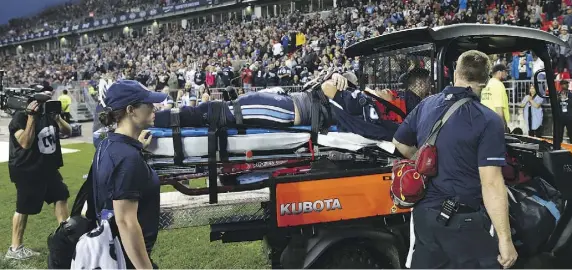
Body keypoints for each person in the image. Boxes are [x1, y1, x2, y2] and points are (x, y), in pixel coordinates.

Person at [392, 50, 517, 269]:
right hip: (462, 221)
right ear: (486, 80)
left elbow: (400, 142)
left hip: (424, 215)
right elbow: (491, 183)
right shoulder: (487, 120)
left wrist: (424, 160)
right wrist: (505, 240)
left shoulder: (426, 105)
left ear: (456, 74)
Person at [154, 72, 398, 141]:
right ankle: (157, 118)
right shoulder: (362, 97)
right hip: (287, 104)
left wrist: (334, 82)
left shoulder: (367, 110)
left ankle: (156, 120)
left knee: (216, 113)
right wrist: (338, 75)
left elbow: (329, 92)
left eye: (391, 93)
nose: (388, 90)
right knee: (218, 110)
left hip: (288, 110)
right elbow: (333, 86)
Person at [93, 80, 167, 269]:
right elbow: (125, 221)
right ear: (131, 110)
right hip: (127, 260)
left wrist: (137, 148)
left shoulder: (108, 145)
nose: (154, 108)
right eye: (148, 104)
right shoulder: (126, 158)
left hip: (113, 252)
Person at [6, 95, 72, 260]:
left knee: (61, 196)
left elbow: (68, 131)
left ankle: (64, 239)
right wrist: (31, 118)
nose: (45, 105)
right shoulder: (20, 117)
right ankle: (15, 249)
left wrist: (57, 118)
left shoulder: (50, 116)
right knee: (24, 207)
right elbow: (25, 142)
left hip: (47, 167)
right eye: (42, 102)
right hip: (27, 169)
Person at [481, 63, 511, 131]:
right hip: (496, 123)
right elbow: (499, 107)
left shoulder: (486, 85)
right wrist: (503, 126)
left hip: (485, 122)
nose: (507, 74)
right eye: (505, 72)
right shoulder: (498, 85)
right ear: (499, 72)